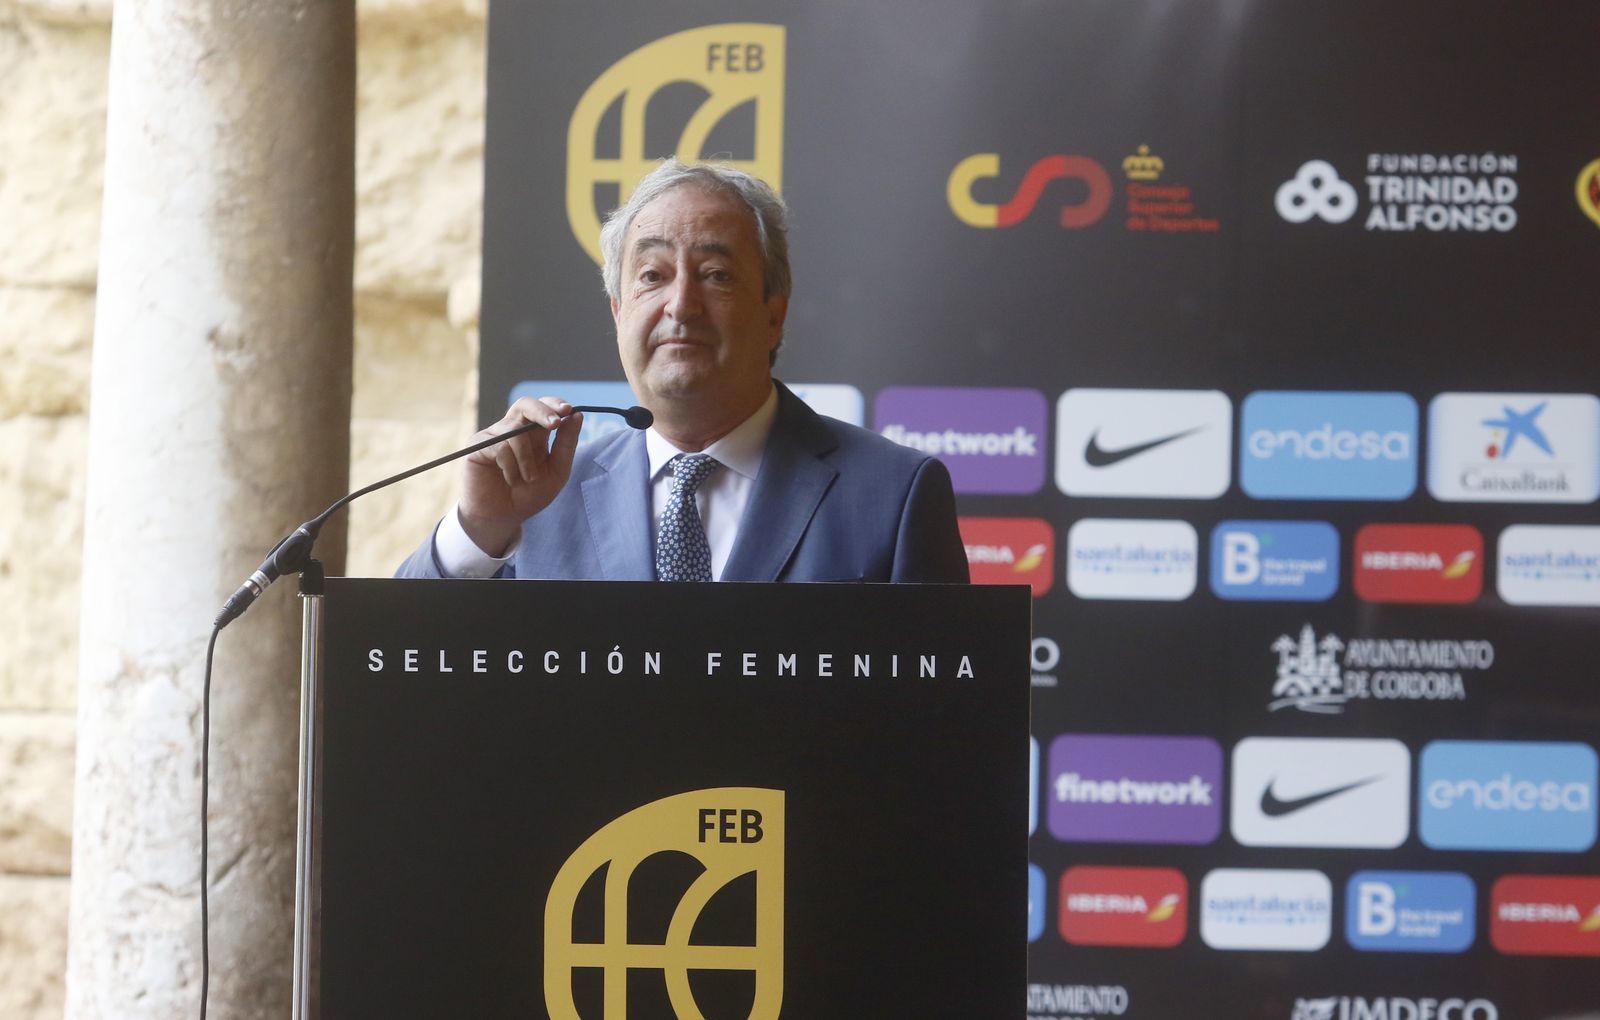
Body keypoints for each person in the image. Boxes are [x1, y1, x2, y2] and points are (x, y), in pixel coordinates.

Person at [398, 158, 968, 584]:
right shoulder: (540, 496)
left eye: (716, 274)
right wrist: (476, 529)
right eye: (651, 275)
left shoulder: (893, 495)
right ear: (618, 313)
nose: (680, 305)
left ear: (774, 314)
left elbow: (947, 729)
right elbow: (404, 671)